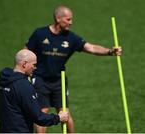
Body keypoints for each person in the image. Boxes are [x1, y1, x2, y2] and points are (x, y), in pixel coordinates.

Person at [25, 5, 122, 133]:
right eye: (68, 19)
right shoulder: (40, 34)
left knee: (65, 114)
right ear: (58, 18)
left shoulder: (71, 38)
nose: (71, 22)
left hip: (59, 81)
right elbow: (25, 52)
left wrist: (110, 51)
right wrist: (24, 72)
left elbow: (91, 48)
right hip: (40, 79)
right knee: (43, 113)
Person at [0, 49, 69, 133]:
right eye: (34, 65)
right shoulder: (24, 86)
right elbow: (38, 117)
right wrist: (58, 118)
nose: (35, 68)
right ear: (24, 64)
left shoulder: (3, 80)